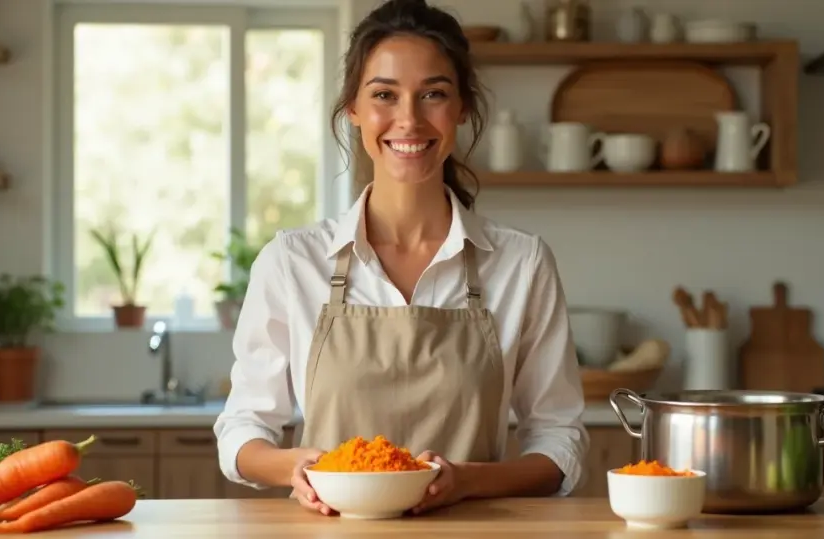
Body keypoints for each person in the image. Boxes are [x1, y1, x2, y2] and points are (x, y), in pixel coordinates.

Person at [213, 0, 589, 515]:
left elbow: (559, 440)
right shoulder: (291, 262)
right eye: (384, 95)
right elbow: (243, 428)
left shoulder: (521, 264)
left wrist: (467, 481)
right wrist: (294, 468)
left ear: (462, 108)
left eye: (433, 94)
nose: (408, 120)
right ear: (353, 108)